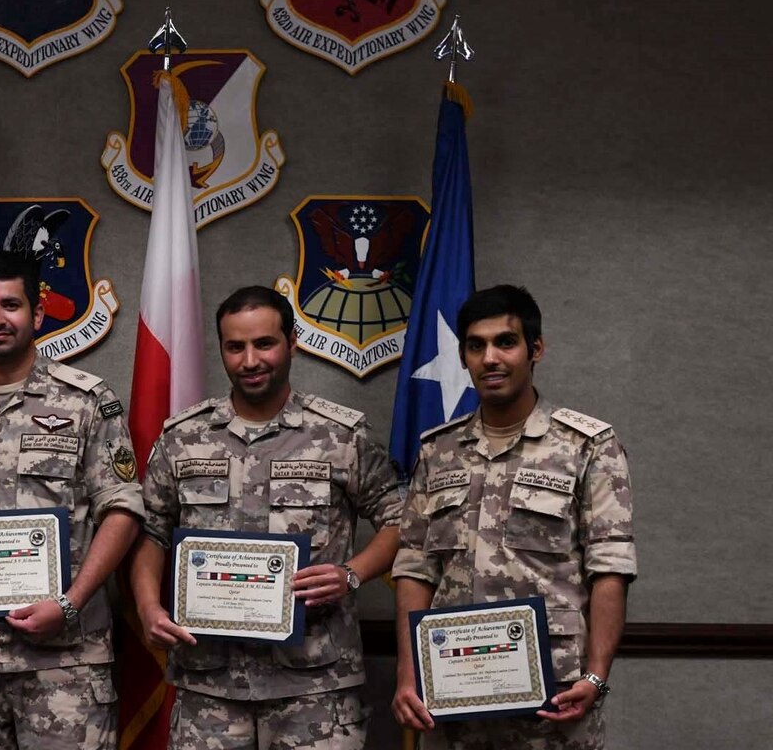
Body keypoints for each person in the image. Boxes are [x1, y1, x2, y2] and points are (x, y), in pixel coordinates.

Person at [130, 285, 404, 748]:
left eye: (264, 343)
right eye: (235, 347)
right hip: (209, 682)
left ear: (292, 343)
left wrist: (351, 574)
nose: (250, 360)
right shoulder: (183, 437)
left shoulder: (341, 435)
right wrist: (146, 606)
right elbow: (152, 531)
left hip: (315, 681)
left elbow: (401, 521)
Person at [0, 251, 144, 750]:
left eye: (10, 305)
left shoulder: (86, 401)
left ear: (36, 314)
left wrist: (69, 604)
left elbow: (122, 509)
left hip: (64, 660)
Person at [392, 285, 635, 749]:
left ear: (535, 349)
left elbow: (610, 567)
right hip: (451, 693)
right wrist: (408, 675)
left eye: (506, 342)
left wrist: (596, 675)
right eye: (476, 345)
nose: (490, 358)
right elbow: (414, 568)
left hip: (555, 696)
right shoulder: (438, 451)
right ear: (463, 357)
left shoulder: (587, 446)